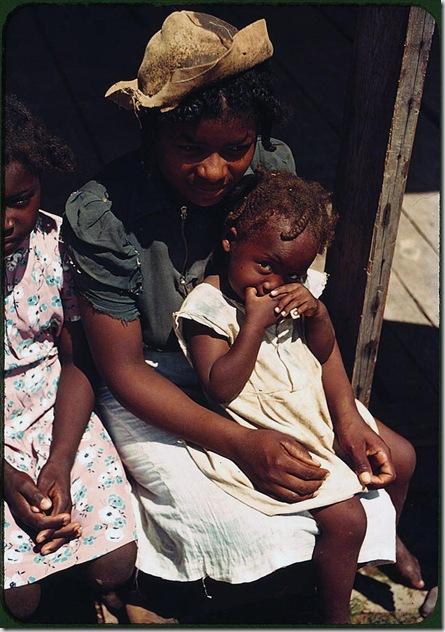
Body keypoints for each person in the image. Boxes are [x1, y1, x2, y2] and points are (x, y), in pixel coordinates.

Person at [62, 11, 423, 623]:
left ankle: (366, 549)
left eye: (235, 149)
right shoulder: (107, 213)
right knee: (241, 530)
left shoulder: (269, 178)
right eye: (188, 149)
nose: (212, 172)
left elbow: (306, 321)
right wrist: (240, 445)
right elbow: (123, 371)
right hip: (159, 382)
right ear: (151, 132)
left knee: (386, 459)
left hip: (267, 365)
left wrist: (343, 417)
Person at [174, 168, 420, 623]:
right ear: (231, 238)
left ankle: (382, 545)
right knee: (345, 519)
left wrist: (319, 315)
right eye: (266, 265)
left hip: (310, 405)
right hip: (263, 425)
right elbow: (220, 386)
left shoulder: (294, 291)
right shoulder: (207, 309)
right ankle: (332, 613)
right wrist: (251, 327)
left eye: (294, 272)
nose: (275, 283)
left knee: (402, 457)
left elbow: (323, 354)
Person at [3, 95, 137, 622]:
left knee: (114, 564)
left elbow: (78, 364)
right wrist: (7, 477)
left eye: (19, 199)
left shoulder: (57, 246)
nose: (6, 220)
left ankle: (97, 590)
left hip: (56, 410)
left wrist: (59, 460)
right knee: (18, 598)